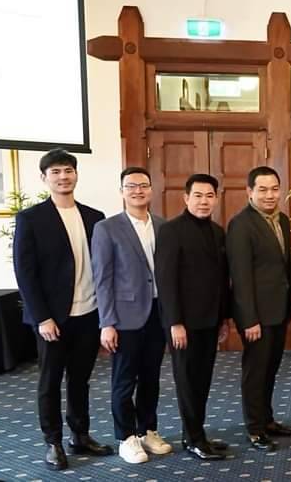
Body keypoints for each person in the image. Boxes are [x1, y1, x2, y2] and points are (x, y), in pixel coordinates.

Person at [13, 148, 111, 470]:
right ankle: (53, 441)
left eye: (68, 170)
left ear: (76, 174)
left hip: (89, 313)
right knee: (50, 381)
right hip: (52, 319)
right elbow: (25, 272)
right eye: (55, 172)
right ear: (44, 178)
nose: (63, 176)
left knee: (81, 380)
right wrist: (42, 317)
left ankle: (80, 435)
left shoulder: (94, 217)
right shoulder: (31, 218)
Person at [90, 167, 171, 464]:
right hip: (124, 317)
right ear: (122, 191)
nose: (138, 190)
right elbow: (102, 279)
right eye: (131, 186)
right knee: (124, 380)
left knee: (151, 377)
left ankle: (147, 430)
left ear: (151, 189)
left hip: (157, 313)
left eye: (143, 185)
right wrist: (107, 322)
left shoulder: (162, 225)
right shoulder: (107, 228)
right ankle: (126, 437)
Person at [156, 174, 231, 461]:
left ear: (216, 199)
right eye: (198, 195)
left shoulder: (218, 232)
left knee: (203, 380)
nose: (204, 201)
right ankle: (194, 439)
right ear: (186, 198)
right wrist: (175, 322)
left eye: (209, 195)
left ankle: (197, 434)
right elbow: (166, 281)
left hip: (210, 321)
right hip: (183, 324)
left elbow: (222, 280)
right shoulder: (171, 231)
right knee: (187, 382)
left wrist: (224, 319)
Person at [226, 166, 291, 452]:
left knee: (271, 368)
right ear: (250, 192)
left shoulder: (282, 219)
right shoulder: (241, 224)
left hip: (278, 310)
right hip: (256, 316)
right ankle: (255, 428)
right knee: (256, 372)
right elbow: (240, 277)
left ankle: (267, 420)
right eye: (263, 189)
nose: (270, 195)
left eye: (274, 189)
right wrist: (249, 319)